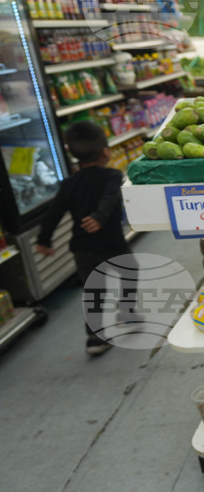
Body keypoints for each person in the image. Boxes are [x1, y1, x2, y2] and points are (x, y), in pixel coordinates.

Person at [34, 121, 131, 356]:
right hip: (111, 243)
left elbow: (53, 213)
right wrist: (99, 216)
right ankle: (126, 315)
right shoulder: (111, 175)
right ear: (106, 151)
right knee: (129, 274)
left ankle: (95, 337)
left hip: (83, 248)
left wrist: (44, 239)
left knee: (93, 291)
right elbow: (109, 198)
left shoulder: (69, 183)